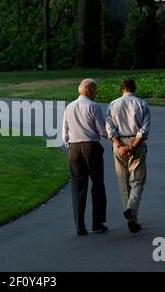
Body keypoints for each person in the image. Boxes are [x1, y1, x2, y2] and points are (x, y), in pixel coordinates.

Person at [62, 79, 108, 236]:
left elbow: (64, 133)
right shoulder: (94, 107)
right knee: (97, 184)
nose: (96, 93)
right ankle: (97, 223)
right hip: (91, 147)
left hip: (74, 148)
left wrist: (71, 146)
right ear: (89, 90)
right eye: (95, 90)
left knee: (78, 188)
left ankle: (79, 226)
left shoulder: (69, 107)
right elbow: (102, 131)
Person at [105, 78, 151, 234]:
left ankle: (130, 217)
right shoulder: (142, 104)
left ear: (121, 89)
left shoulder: (112, 104)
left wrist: (119, 145)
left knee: (123, 182)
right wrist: (132, 146)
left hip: (118, 144)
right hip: (135, 142)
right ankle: (132, 210)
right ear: (134, 88)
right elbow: (143, 130)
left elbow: (109, 128)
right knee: (137, 180)